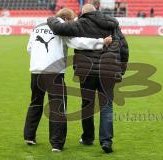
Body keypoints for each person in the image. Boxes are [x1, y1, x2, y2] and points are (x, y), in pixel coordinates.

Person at [24, 8, 112, 152]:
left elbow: (29, 48)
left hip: (36, 70)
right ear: (66, 19)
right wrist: (102, 42)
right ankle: (57, 144)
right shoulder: (62, 29)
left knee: (35, 102)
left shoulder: (38, 27)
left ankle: (29, 135)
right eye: (72, 22)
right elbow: (78, 43)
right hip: (54, 72)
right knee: (57, 107)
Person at [47, 4, 129, 153]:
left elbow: (59, 28)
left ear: (83, 13)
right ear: (96, 11)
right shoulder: (112, 24)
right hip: (109, 70)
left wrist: (52, 18)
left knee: (87, 105)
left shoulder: (80, 23)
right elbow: (123, 47)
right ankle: (106, 141)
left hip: (86, 70)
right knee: (107, 105)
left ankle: (88, 137)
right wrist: (121, 68)